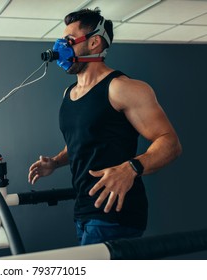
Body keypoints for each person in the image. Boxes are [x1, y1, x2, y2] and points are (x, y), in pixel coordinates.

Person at [28, 8, 182, 246]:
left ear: (94, 42)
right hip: (85, 210)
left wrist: (131, 168)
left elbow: (170, 143)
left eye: (68, 41)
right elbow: (83, 141)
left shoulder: (122, 88)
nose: (60, 47)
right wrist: (56, 162)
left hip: (114, 212)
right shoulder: (69, 93)